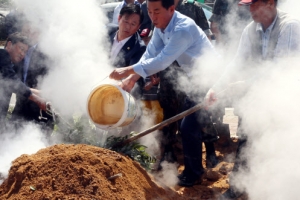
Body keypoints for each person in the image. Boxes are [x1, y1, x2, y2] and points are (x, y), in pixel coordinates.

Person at [109, 0, 217, 187]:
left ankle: (194, 173)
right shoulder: (161, 26)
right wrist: (133, 78)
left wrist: (127, 71)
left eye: (156, 12)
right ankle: (193, 167)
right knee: (188, 122)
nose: (152, 16)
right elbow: (150, 52)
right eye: (149, 12)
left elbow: (161, 60)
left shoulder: (183, 28)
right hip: (192, 76)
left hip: (208, 76)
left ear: (172, 9)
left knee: (188, 126)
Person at [204, 0, 300, 198]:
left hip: (287, 100)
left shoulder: (290, 26)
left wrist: (245, 82)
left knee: (280, 146)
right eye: (249, 5)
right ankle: (238, 187)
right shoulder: (251, 29)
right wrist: (216, 87)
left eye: (254, 5)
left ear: (270, 3)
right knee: (247, 139)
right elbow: (237, 62)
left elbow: (279, 70)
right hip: (261, 97)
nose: (250, 10)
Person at [0, 32, 47, 128]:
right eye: (21, 49)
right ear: (9, 44)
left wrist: (41, 93)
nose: (22, 54)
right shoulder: (2, 54)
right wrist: (37, 99)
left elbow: (14, 85)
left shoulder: (10, 65)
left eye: (25, 51)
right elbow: (12, 81)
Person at [11, 23, 53, 129]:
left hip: (41, 111)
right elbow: (11, 79)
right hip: (20, 108)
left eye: (32, 31)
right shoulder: (18, 49)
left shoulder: (49, 53)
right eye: (26, 31)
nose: (29, 34)